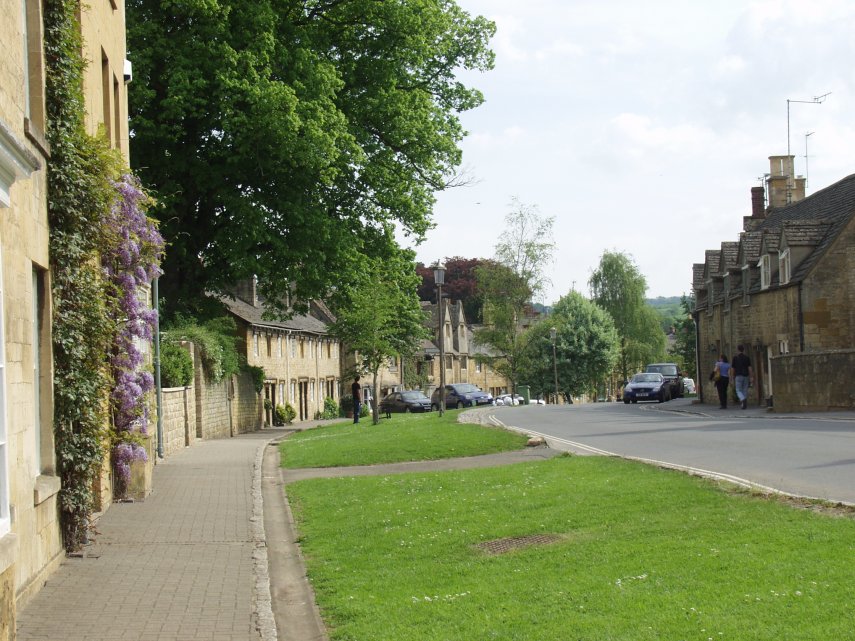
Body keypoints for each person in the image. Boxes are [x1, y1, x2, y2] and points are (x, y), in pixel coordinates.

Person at [731, 344, 754, 410]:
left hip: (738, 376)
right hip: (746, 375)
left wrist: (732, 377)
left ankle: (743, 399)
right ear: (743, 350)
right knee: (744, 390)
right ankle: (743, 404)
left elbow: (733, 368)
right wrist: (751, 377)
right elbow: (749, 368)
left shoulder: (735, 358)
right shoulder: (747, 358)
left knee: (738, 390)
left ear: (738, 350)